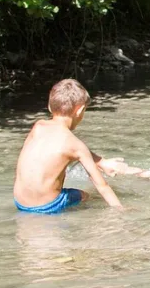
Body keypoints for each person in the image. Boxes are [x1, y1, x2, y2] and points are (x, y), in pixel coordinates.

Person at [13, 79, 124, 213]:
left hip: (20, 202)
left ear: (49, 106)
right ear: (80, 110)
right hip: (48, 206)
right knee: (85, 196)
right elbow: (102, 186)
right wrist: (121, 210)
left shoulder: (38, 126)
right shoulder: (76, 145)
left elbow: (60, 148)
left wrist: (100, 161)